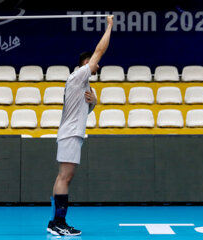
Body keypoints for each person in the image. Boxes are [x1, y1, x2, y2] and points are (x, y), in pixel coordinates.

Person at [47, 15, 114, 236]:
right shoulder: (78, 75)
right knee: (65, 177)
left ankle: (54, 222)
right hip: (70, 134)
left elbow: (84, 110)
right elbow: (100, 51)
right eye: (94, 64)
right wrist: (110, 26)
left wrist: (94, 103)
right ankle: (58, 223)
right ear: (86, 64)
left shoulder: (83, 85)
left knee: (63, 177)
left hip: (72, 134)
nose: (98, 67)